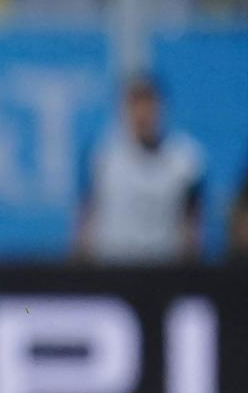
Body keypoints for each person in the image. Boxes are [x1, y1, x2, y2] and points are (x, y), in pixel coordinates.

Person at [75, 75, 206, 263]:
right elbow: (86, 218)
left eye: (148, 103)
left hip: (165, 268)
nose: (142, 113)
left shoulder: (186, 159)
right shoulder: (101, 155)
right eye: (135, 104)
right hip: (111, 266)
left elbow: (191, 225)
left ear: (161, 106)